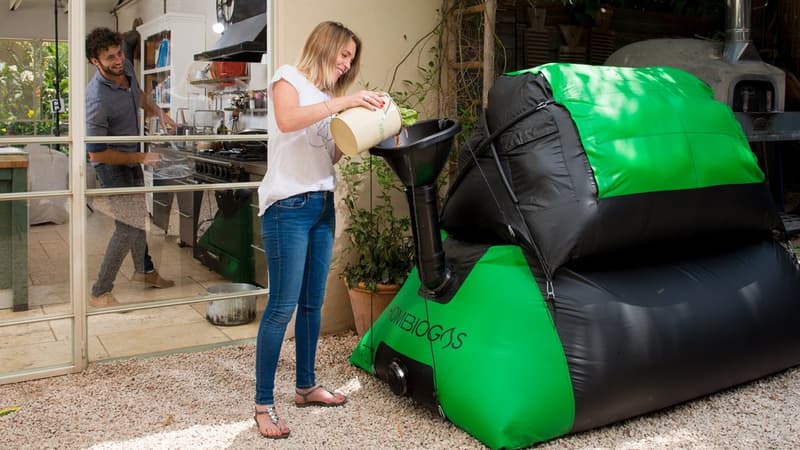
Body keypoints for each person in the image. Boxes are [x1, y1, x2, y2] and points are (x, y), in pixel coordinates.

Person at [253, 21, 386, 439]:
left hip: (320, 204)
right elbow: (289, 120)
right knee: (282, 307)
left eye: (351, 59)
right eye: (343, 55)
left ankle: (306, 386)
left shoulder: (329, 99)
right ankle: (262, 404)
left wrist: (364, 127)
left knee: (312, 304)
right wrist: (344, 102)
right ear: (324, 47)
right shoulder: (286, 78)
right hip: (287, 208)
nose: (346, 64)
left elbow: (328, 156)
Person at [85, 27, 176, 308]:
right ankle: (100, 291)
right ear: (94, 62)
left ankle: (144, 271)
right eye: (110, 57)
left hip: (132, 156)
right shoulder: (96, 99)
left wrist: (160, 113)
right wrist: (140, 158)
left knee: (139, 220)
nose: (118, 60)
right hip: (111, 165)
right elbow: (96, 154)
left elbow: (138, 94)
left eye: (119, 53)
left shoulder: (124, 69)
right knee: (127, 226)